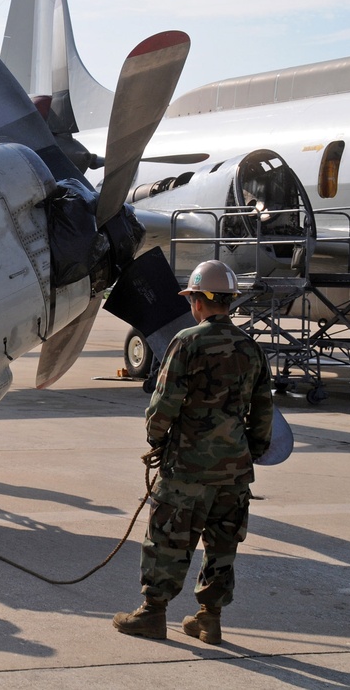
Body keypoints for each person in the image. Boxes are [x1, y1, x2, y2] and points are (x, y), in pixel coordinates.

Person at [112, 260, 274, 645]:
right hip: (234, 469)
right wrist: (248, 451)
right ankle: (209, 619)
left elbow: (164, 402)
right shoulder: (251, 348)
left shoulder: (187, 341)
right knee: (222, 544)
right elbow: (263, 409)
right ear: (229, 302)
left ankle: (153, 613)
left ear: (198, 301)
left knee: (167, 539)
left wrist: (157, 438)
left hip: (187, 467)